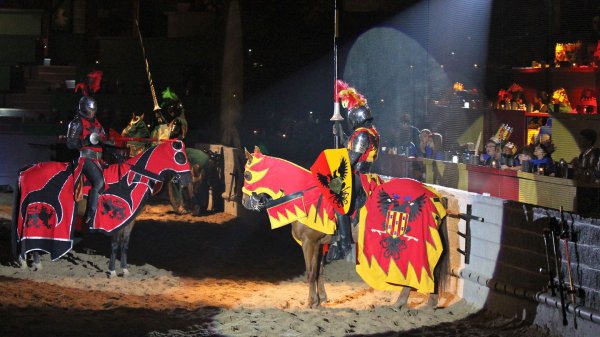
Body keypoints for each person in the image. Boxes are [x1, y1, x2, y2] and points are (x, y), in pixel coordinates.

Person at [327, 80, 380, 262]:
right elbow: (350, 147)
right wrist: (341, 134)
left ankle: (345, 245)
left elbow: (350, 159)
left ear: (356, 117)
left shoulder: (363, 134)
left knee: (338, 199)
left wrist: (334, 172)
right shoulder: (369, 132)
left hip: (358, 176)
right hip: (360, 174)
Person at [66, 96, 107, 227]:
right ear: (84, 109)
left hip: (99, 159)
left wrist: (110, 142)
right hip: (86, 158)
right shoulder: (76, 123)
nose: (92, 113)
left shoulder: (97, 123)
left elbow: (103, 138)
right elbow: (70, 143)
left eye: (93, 110)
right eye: (90, 110)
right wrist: (86, 141)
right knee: (99, 182)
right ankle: (91, 215)